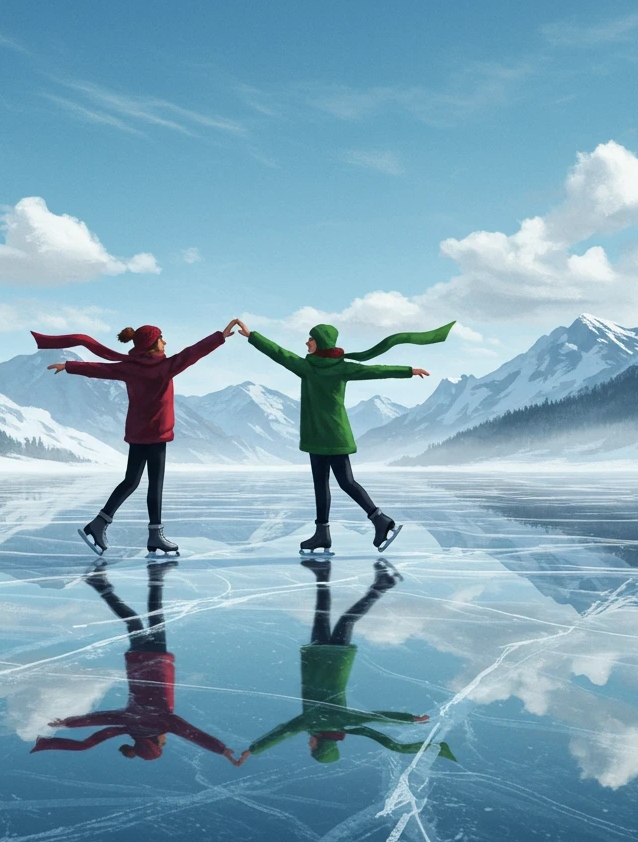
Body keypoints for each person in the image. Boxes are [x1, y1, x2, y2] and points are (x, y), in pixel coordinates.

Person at [234, 320, 453, 553]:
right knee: (331, 483)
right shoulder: (335, 367)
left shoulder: (308, 367)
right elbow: (375, 371)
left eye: (311, 338)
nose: (307, 342)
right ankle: (324, 533)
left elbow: (279, 354)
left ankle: (379, 520)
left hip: (324, 436)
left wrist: (252, 336)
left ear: (320, 343)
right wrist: (408, 371)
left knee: (338, 482)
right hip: (329, 435)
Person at [33, 320, 242, 556]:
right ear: (152, 344)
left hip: (137, 434)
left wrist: (70, 366)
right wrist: (220, 337)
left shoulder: (130, 366)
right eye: (162, 338)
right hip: (156, 436)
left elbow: (99, 369)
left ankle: (100, 523)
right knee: (155, 484)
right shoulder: (166, 367)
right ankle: (154, 535)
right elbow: (192, 353)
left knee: (131, 481)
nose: (165, 342)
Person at [239, 559, 455, 765]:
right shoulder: (312, 723)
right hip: (321, 661)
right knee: (334, 618)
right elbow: (283, 732)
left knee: (334, 618)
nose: (309, 743)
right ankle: (376, 585)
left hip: (333, 662)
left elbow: (376, 717)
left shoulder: (341, 722)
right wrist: (253, 749)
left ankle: (326, 573)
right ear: (321, 745)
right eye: (312, 747)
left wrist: (410, 719)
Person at [31, 560, 244, 765]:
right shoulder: (129, 723)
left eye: (162, 744)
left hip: (157, 661)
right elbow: (100, 721)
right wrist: (69, 723)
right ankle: (104, 583)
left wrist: (220, 749)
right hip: (137, 662)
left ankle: (152, 576)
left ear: (154, 743)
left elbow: (193, 734)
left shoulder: (164, 723)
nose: (165, 741)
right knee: (134, 622)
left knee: (154, 617)